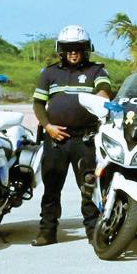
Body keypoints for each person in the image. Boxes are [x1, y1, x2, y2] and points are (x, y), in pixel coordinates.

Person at [30, 25, 114, 246]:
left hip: (85, 139)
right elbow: (38, 104)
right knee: (51, 187)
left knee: (89, 187)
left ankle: (94, 232)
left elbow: (104, 90)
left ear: (86, 49)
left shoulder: (96, 71)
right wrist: (48, 126)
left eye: (78, 48)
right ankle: (47, 232)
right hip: (55, 139)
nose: (73, 52)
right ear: (62, 50)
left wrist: (102, 98)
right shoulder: (49, 73)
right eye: (69, 48)